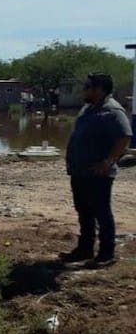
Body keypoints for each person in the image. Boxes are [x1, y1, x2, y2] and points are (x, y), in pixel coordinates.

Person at [60, 72, 132, 268]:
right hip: (80, 172)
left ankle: (106, 254)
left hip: (98, 174)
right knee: (84, 211)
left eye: (87, 86)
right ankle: (85, 249)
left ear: (99, 89)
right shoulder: (88, 108)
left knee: (102, 212)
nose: (84, 89)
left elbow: (124, 137)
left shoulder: (113, 111)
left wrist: (108, 162)